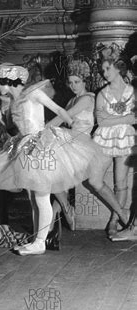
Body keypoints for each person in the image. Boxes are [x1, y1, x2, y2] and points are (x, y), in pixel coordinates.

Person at [0, 65, 121, 256]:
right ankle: (38, 239)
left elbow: (59, 110)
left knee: (40, 196)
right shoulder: (13, 100)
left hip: (41, 144)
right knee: (33, 197)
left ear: (6, 80)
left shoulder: (33, 93)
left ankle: (40, 242)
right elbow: (12, 126)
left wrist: (71, 128)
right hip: (25, 145)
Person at [46, 59, 96, 231]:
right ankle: (56, 219)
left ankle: (64, 213)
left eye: (77, 82)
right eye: (70, 82)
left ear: (85, 81)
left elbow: (63, 117)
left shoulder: (88, 98)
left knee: (56, 179)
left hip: (82, 144)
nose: (73, 86)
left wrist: (43, 128)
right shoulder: (71, 100)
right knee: (56, 180)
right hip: (69, 142)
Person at [92, 45, 135, 236]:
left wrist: (116, 120)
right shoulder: (102, 94)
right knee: (94, 180)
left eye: (107, 68)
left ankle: (114, 220)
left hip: (126, 139)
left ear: (118, 67)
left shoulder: (133, 92)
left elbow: (136, 118)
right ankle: (123, 214)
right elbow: (100, 120)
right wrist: (125, 119)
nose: (104, 73)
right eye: (103, 70)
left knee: (121, 183)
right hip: (104, 138)